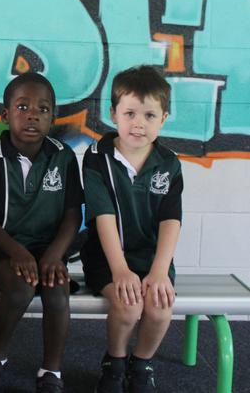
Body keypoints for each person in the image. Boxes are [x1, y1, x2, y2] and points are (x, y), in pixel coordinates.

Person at [0, 72, 84, 393]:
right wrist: (18, 252)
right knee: (22, 287)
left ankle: (51, 372)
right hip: (1, 253)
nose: (33, 114)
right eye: (23, 106)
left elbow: (73, 215)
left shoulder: (64, 157)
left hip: (48, 252)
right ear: (6, 114)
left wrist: (56, 256)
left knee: (57, 289)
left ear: (53, 118)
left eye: (43, 109)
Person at [80, 65, 183, 393]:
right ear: (113, 114)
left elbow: (171, 220)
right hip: (107, 258)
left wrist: (159, 271)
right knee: (127, 305)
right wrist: (121, 270)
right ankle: (115, 362)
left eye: (150, 115)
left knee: (159, 305)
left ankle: (141, 364)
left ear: (164, 119)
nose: (139, 123)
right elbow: (103, 216)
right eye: (130, 113)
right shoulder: (97, 158)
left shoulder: (168, 163)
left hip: (152, 257)